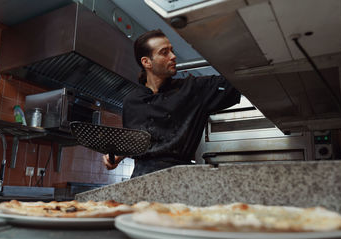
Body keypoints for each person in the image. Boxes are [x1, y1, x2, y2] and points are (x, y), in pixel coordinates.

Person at [103, 29, 240, 178]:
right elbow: (134, 142)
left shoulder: (194, 89)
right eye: (164, 52)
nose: (173, 56)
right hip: (140, 181)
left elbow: (238, 81)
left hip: (179, 178)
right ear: (146, 62)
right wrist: (118, 155)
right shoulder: (132, 101)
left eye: (172, 51)